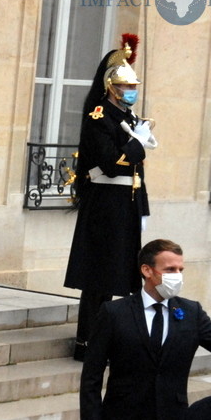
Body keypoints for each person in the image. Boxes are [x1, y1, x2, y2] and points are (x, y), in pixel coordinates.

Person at [79, 239, 211, 420]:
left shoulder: (191, 312)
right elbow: (91, 376)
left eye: (180, 269)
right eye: (170, 269)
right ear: (147, 270)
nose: (177, 275)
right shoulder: (114, 313)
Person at [64, 33, 158, 361]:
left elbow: (135, 172)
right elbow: (111, 162)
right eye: (126, 86)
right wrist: (137, 144)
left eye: (133, 86)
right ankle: (87, 343)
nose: (131, 91)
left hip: (125, 204)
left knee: (117, 276)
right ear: (111, 87)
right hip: (104, 202)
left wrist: (142, 207)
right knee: (99, 277)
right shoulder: (99, 115)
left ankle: (104, 340)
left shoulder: (127, 118)